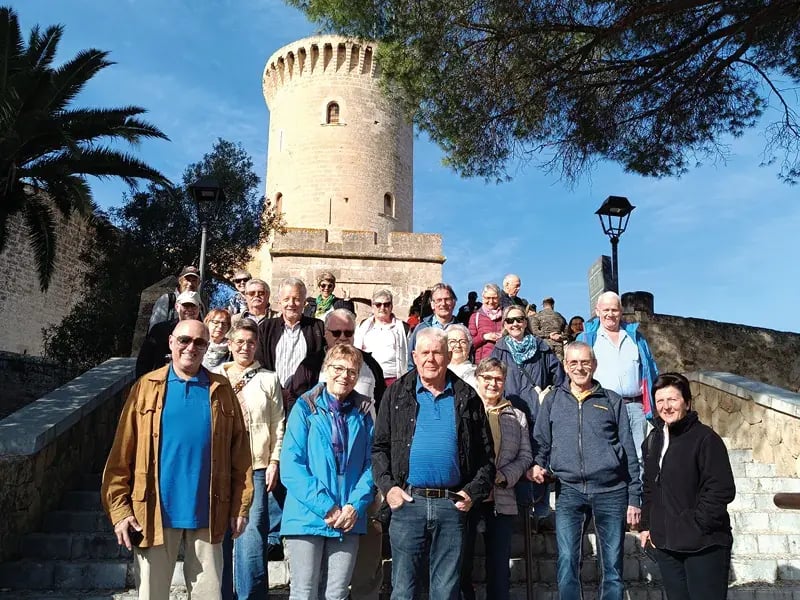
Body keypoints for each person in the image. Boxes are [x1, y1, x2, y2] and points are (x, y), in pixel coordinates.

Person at [101, 319, 253, 600]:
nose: (191, 347)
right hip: (153, 512)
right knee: (152, 595)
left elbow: (240, 455)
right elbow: (121, 454)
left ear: (208, 347)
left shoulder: (221, 390)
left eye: (199, 342)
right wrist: (120, 511)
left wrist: (240, 506)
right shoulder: (146, 387)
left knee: (209, 596)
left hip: (209, 511)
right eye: (184, 340)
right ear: (171, 342)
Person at [373, 327, 495, 600]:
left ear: (449, 356)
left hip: (451, 506)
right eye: (425, 352)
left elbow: (486, 457)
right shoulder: (396, 395)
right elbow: (379, 448)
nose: (431, 359)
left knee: (446, 591)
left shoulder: (468, 396)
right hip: (407, 503)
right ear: (414, 356)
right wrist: (389, 488)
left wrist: (471, 493)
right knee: (403, 589)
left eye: (437, 352)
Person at [531, 341, 641, 600]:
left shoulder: (611, 400)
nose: (580, 368)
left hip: (611, 491)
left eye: (585, 362)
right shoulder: (553, 399)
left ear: (594, 365)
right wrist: (538, 464)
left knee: (612, 564)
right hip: (568, 490)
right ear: (566, 367)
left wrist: (634, 497)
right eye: (574, 363)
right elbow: (542, 442)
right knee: (568, 560)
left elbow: (628, 450)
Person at [280, 344, 375, 600]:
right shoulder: (305, 407)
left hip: (348, 517)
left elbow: (371, 464)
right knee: (304, 592)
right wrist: (326, 507)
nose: (344, 375)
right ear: (326, 369)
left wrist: (355, 506)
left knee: (338, 593)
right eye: (338, 368)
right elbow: (290, 465)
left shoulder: (363, 411)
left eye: (352, 371)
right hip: (307, 515)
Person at [639, 373, 735, 600]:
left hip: (704, 545)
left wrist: (697, 524)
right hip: (667, 547)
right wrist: (647, 524)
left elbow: (721, 489)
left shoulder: (706, 439)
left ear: (688, 402)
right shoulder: (653, 440)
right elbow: (649, 487)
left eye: (672, 399)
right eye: (660, 401)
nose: (666, 407)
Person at [254, 277, 325, 559]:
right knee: (273, 462)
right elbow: (262, 361)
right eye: (287, 299)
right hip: (273, 402)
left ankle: (296, 527)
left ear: (304, 301)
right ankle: (272, 533)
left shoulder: (316, 328)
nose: (292, 303)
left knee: (299, 461)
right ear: (279, 301)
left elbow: (318, 362)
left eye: (297, 299)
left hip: (304, 405)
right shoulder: (267, 327)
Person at [215, 320, 285, 600]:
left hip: (255, 465)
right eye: (240, 342)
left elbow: (278, 423)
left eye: (250, 342)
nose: (245, 347)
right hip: (219, 466)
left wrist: (275, 461)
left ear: (257, 346)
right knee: (220, 531)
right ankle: (221, 593)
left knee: (253, 532)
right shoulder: (215, 376)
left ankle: (251, 595)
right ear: (230, 345)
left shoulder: (269, 378)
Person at [461, 358, 533, 600]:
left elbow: (525, 456)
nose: (493, 383)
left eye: (498, 379)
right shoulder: (464, 410)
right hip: (468, 498)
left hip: (501, 497)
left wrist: (505, 476)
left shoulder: (518, 416)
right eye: (487, 378)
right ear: (477, 379)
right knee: (462, 564)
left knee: (500, 568)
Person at [490, 304, 565, 521]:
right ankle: (522, 514)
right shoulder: (500, 349)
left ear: (526, 321)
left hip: (539, 413)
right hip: (511, 415)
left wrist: (549, 399)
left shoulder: (541, 347)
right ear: (504, 324)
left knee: (540, 459)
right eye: (510, 320)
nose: (515, 324)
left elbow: (558, 379)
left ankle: (540, 514)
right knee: (517, 462)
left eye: (519, 319)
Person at [578, 291, 658, 467]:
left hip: (635, 406)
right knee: (605, 455)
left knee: (639, 457)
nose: (610, 314)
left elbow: (651, 370)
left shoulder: (636, 338)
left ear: (621, 311)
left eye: (614, 309)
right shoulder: (586, 339)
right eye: (605, 309)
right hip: (602, 404)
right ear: (597, 311)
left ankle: (637, 494)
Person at [136, 291, 202, 378]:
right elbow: (144, 361)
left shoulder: (204, 333)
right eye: (185, 306)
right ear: (177, 307)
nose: (189, 310)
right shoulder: (160, 330)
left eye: (193, 306)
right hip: (161, 381)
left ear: (199, 308)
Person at [354, 289, 409, 387]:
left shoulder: (403, 328)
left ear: (391, 306)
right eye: (378, 304)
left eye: (386, 304)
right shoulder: (363, 327)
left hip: (393, 381)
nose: (382, 308)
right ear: (372, 306)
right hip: (367, 378)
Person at [406, 282, 459, 366]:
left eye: (447, 299)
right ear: (432, 305)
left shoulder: (462, 328)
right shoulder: (421, 329)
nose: (443, 303)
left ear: (454, 302)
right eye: (439, 300)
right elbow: (411, 361)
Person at [148, 266, 202, 331]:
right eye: (187, 279)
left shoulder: (201, 305)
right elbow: (155, 330)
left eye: (194, 280)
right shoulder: (167, 299)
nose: (190, 283)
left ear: (198, 283)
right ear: (180, 281)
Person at [468, 283, 503, 364]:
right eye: (488, 298)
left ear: (499, 298)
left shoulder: (506, 316)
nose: (491, 301)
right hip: (482, 364)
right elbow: (469, 344)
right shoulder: (475, 317)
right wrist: (484, 337)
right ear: (483, 298)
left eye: (494, 298)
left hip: (503, 363)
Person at [528, 297, 569, 361]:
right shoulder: (560, 316)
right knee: (558, 366)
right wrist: (560, 337)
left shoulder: (537, 316)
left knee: (545, 367)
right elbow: (568, 333)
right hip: (558, 346)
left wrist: (548, 335)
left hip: (544, 345)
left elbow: (534, 332)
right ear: (553, 305)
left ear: (543, 305)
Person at [446, 325, 478, 391]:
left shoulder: (477, 374)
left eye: (463, 342)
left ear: (469, 346)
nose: (458, 345)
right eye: (452, 341)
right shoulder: (439, 372)